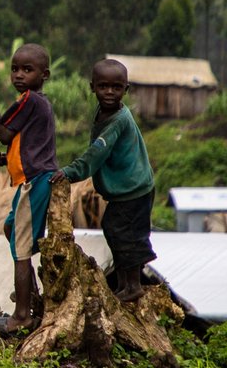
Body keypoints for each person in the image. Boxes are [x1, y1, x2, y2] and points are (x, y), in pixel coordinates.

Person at [53, 59, 157, 302]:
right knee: (114, 228)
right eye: (103, 87)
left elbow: (95, 155)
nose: (109, 92)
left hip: (135, 189)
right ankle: (124, 284)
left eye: (116, 87)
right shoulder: (104, 113)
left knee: (125, 233)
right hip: (127, 190)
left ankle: (133, 286)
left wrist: (69, 172)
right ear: (93, 87)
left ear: (126, 90)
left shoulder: (118, 119)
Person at [0, 42, 58, 333]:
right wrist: (9, 157)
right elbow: (25, 141)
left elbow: (3, 134)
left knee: (21, 248)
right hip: (34, 178)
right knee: (11, 230)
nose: (19, 75)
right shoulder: (40, 102)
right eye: (15, 69)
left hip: (34, 181)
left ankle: (22, 315)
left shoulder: (29, 100)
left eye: (28, 69)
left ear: (44, 74)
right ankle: (31, 295)